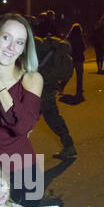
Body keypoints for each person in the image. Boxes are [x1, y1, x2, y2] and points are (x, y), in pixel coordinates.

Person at [0, 13, 43, 207]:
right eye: (6, 38)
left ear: (24, 48)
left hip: (23, 171)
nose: (12, 47)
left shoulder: (31, 79)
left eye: (19, 42)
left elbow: (22, 125)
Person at [34, 13, 77, 159]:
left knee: (20, 119)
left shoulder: (33, 43)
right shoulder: (44, 42)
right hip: (48, 85)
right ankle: (68, 145)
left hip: (40, 87)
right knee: (52, 116)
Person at [66, 23, 86, 102]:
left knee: (68, 74)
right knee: (79, 76)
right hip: (79, 58)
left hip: (72, 58)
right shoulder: (80, 38)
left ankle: (61, 86)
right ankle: (79, 90)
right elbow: (84, 47)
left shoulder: (69, 38)